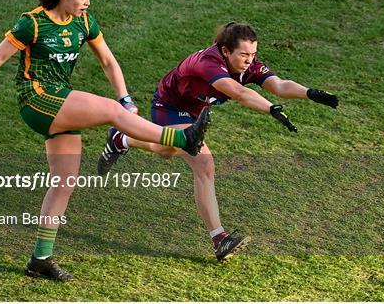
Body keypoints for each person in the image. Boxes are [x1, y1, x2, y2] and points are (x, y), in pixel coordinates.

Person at [0, 0, 211, 281]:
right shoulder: (32, 22)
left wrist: (126, 97)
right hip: (37, 99)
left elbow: (109, 62)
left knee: (64, 182)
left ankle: (40, 259)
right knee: (112, 113)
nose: (87, 3)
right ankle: (182, 138)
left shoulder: (84, 22)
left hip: (60, 100)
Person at [97, 22, 339, 263]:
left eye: (253, 54)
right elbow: (239, 93)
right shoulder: (208, 64)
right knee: (203, 163)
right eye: (244, 54)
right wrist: (271, 108)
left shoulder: (248, 63)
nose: (249, 60)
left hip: (195, 111)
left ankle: (122, 139)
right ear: (225, 50)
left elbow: (279, 84)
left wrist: (309, 93)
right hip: (170, 106)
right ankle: (220, 239)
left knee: (167, 151)